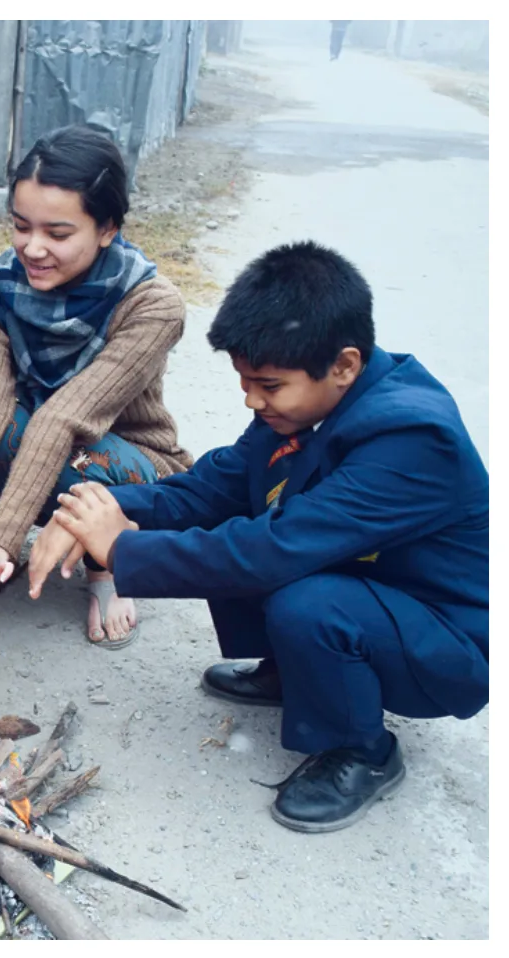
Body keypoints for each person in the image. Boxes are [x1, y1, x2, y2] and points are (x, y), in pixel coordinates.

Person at [28, 241, 489, 833]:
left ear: (345, 365)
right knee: (251, 511)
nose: (251, 400)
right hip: (376, 588)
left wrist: (119, 548)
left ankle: (362, 751)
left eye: (268, 385)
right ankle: (296, 673)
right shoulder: (303, 406)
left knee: (300, 593)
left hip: (446, 642)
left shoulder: (412, 439)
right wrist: (102, 507)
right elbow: (209, 490)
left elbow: (273, 550)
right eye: (245, 382)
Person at [0, 125, 192, 647]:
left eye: (58, 234)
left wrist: (4, 536)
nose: (33, 248)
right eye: (21, 227)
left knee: (73, 451)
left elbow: (67, 417)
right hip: (39, 442)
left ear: (107, 229)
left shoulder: (152, 304)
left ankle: (108, 567)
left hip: (127, 462)